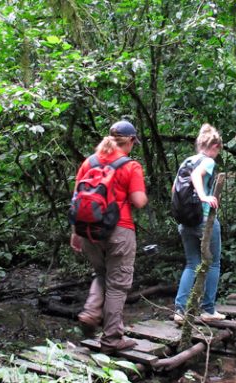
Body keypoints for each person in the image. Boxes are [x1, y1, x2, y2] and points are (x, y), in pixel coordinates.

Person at [70, 120, 148, 354]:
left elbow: (76, 199)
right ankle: (112, 339)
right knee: (118, 285)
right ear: (131, 141)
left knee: (101, 273)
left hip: (88, 231)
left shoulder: (89, 162)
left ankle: (90, 312)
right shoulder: (130, 166)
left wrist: (75, 233)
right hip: (119, 230)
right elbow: (138, 201)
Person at [173, 123, 226, 323]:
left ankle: (179, 310)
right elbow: (197, 176)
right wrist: (204, 196)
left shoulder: (186, 161)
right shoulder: (208, 161)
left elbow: (174, 191)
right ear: (214, 146)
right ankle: (208, 309)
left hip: (185, 220)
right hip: (204, 219)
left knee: (191, 263)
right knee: (213, 264)